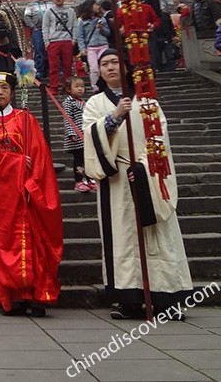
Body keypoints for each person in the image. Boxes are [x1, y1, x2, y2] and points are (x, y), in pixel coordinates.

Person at [83, 50, 193, 320]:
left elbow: (160, 137)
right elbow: (90, 133)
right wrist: (115, 116)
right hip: (117, 179)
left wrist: (144, 168)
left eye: (114, 62)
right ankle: (128, 298)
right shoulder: (95, 103)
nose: (109, 68)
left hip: (149, 178)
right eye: (104, 64)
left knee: (158, 235)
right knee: (120, 238)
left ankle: (165, 295)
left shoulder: (147, 101)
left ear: (125, 67)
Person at [0, 69, 63, 316]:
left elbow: (39, 156)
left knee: (30, 243)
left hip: (23, 194)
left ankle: (33, 297)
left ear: (12, 92)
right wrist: (17, 162)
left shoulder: (25, 119)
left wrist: (32, 182)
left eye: (4, 89)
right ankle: (9, 298)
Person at [62, 76, 96, 193]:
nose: (80, 89)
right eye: (76, 86)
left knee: (88, 158)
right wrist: (71, 133)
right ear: (69, 89)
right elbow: (67, 118)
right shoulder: (68, 102)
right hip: (76, 136)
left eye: (82, 86)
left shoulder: (82, 102)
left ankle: (90, 178)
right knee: (79, 159)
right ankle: (79, 180)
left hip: (85, 134)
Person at [42, 0, 77, 95]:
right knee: (53, 66)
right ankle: (54, 87)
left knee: (68, 65)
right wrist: (46, 41)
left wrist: (74, 39)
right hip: (53, 41)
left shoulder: (71, 11)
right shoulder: (49, 11)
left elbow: (75, 26)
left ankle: (67, 87)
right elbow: (45, 27)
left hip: (67, 40)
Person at [76, 0, 111, 92]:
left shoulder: (101, 19)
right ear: (90, 6)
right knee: (94, 68)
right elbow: (80, 36)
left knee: (105, 67)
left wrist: (102, 28)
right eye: (95, 5)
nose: (97, 6)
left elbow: (108, 33)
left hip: (103, 45)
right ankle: (96, 88)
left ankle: (107, 85)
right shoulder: (82, 21)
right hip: (91, 47)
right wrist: (82, 49)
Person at [24, 0, 49, 78]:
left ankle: (55, 70)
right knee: (39, 51)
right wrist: (33, 28)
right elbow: (26, 17)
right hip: (38, 30)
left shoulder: (51, 4)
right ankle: (40, 71)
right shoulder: (30, 5)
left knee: (52, 51)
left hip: (50, 31)